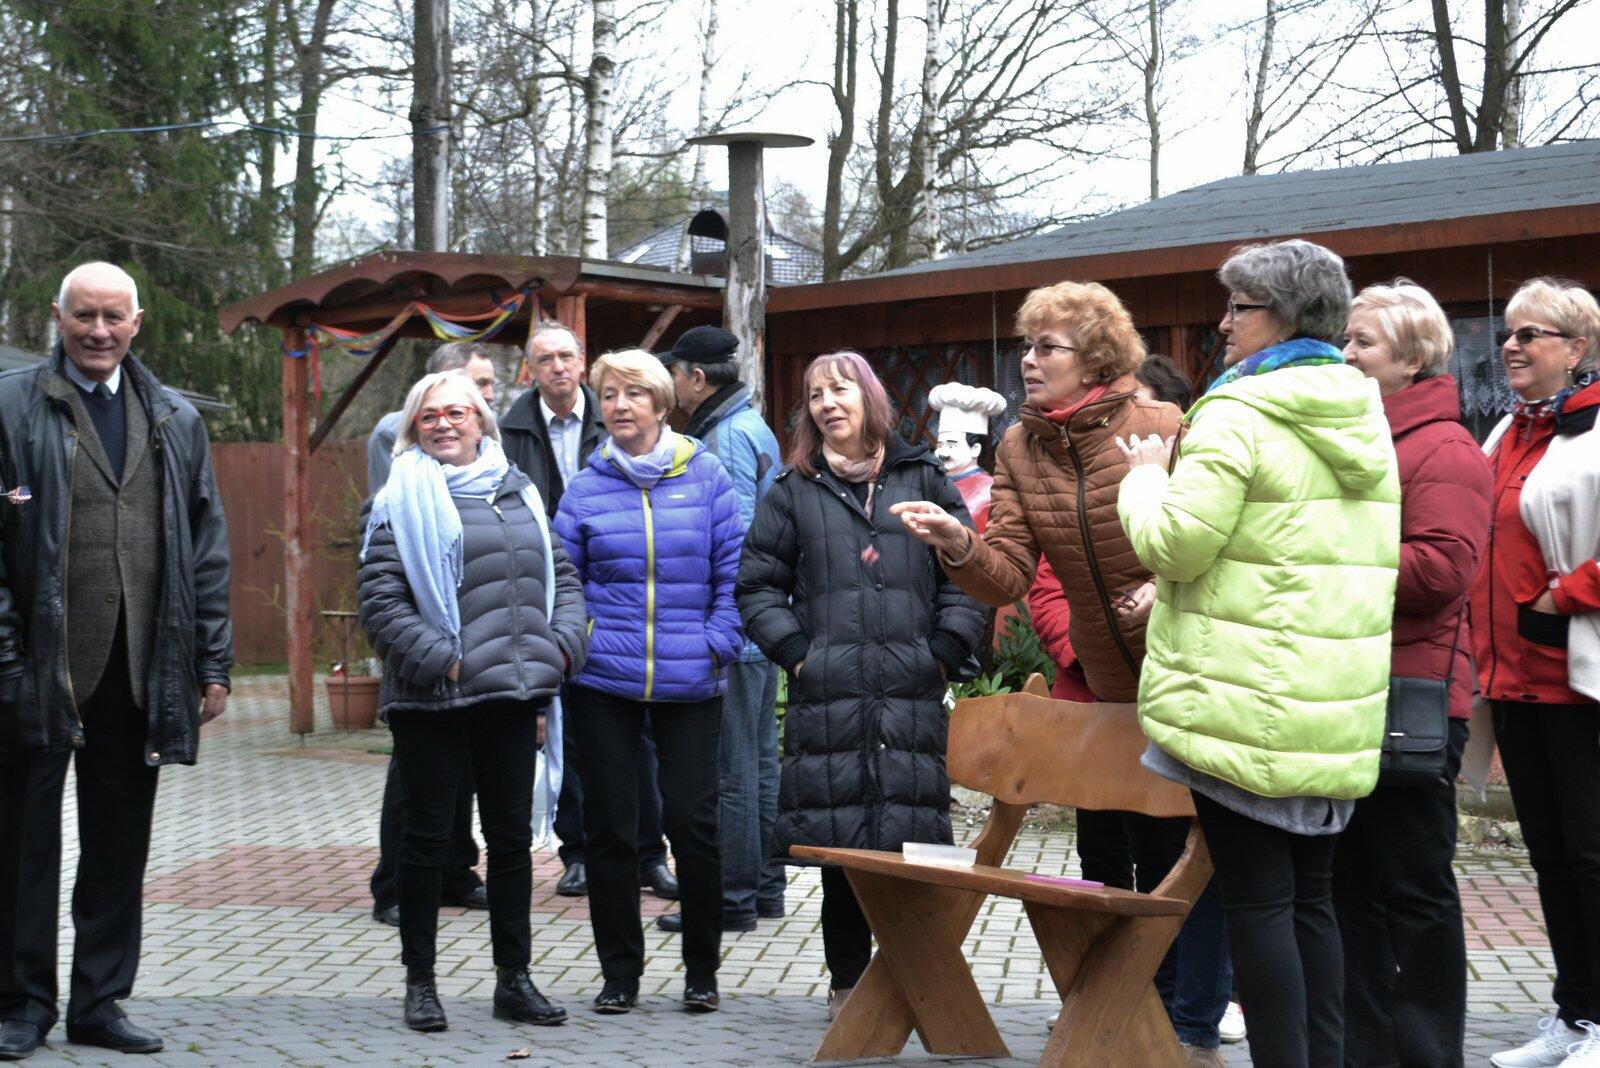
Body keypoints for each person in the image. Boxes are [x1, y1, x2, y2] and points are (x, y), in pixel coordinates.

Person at [893, 286, 1236, 1060]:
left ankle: (1191, 1028)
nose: (1029, 359)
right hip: (1104, 684)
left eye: (1047, 346)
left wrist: (1166, 588)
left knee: (1186, 855)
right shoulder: (1021, 446)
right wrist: (959, 543)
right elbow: (1011, 575)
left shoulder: (1165, 426)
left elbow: (1218, 538)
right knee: (1124, 856)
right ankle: (1131, 1012)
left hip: (1187, 671)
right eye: (1027, 344)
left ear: (1098, 358)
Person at [1116, 239, 1401, 1068]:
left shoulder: (1238, 412)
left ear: (1283, 317)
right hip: (1331, 703)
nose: (1223, 323)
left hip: (1242, 699)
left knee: (1259, 906)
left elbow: (1175, 547)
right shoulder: (1362, 412)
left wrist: (1146, 477)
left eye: (1238, 308)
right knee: (1312, 903)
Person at [0, 262, 233, 1060]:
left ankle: (99, 1003)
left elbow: (206, 548)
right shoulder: (11, 407)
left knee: (118, 848)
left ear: (136, 324)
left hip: (137, 671)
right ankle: (21, 1004)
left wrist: (211, 661)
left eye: (113, 317)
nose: (98, 331)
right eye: (84, 315)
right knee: (21, 849)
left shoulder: (174, 418)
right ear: (57, 317)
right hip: (36, 671)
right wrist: (6, 663)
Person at [739, 351, 987, 1020]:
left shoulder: (923, 476)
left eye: (840, 389)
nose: (827, 403)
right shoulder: (793, 489)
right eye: (815, 394)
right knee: (844, 857)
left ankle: (920, 987)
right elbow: (757, 586)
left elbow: (966, 573)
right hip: (831, 701)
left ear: (870, 398)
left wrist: (944, 652)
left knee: (916, 852)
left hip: (911, 696)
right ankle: (849, 988)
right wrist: (800, 657)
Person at [358, 370, 587, 1033]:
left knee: (510, 843)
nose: (444, 425)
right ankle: (421, 983)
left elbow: (560, 576)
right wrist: (441, 660)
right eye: (429, 416)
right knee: (426, 842)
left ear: (482, 421)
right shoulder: (396, 499)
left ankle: (514, 980)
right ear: (413, 428)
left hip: (510, 694)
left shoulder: (517, 492)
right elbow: (380, 599)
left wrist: (563, 645)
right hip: (433, 697)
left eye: (456, 413)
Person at [553, 349, 745, 1015]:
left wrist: (720, 641)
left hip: (691, 677)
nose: (620, 405)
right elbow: (564, 582)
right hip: (603, 680)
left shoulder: (707, 475)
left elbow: (734, 569)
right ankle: (620, 976)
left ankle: (701, 972)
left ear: (662, 404)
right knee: (610, 829)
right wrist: (575, 646)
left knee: (693, 823)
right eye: (609, 395)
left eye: (634, 393)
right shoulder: (585, 488)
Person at [1335, 280, 1490, 1068]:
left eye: (1363, 342)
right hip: (1345, 691)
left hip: (1411, 699)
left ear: (1413, 358)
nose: (1346, 354)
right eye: (1346, 339)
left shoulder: (1444, 448)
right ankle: (1365, 1052)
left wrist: (1330, 555)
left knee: (1413, 891)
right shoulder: (1357, 437)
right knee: (1350, 891)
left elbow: (1442, 571)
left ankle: (1429, 1055)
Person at [502, 322, 677, 903]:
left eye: (566, 356)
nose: (557, 367)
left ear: (581, 361)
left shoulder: (613, 416)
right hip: (545, 594)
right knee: (570, 732)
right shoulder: (510, 431)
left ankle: (650, 854)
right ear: (531, 370)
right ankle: (577, 853)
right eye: (545, 359)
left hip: (618, 594)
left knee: (640, 735)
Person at [1472, 278, 1600, 1068]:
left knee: (1592, 855)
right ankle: (1574, 1014)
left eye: (1530, 334)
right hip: (1512, 678)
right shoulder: (1506, 430)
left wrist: (1563, 597)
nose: (1510, 345)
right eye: (1508, 333)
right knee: (1550, 857)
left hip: (1581, 680)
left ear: (1576, 347)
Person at [366, 343, 499, 928]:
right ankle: (394, 884)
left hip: (479, 649)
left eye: (486, 387)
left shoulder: (497, 470)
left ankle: (455, 871)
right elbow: (386, 576)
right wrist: (435, 654)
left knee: (464, 768)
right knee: (413, 778)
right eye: (478, 384)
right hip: (423, 655)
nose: (488, 395)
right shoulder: (397, 458)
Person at [657, 326, 785, 934]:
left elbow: (732, 548)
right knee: (758, 763)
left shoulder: (725, 438)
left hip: (739, 631)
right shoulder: (750, 424)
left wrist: (718, 631)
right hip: (764, 625)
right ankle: (764, 888)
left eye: (674, 373)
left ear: (697, 378)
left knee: (732, 771)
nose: (671, 384)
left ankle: (731, 899)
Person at [368, 343, 500, 491]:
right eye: (480, 383)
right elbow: (398, 498)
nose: (491, 395)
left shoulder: (496, 456)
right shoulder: (392, 431)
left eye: (491, 384)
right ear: (445, 377)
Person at [927, 383, 1007, 532]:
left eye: (951, 446)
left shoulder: (990, 490)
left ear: (975, 449)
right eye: (940, 445)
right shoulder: (931, 483)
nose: (942, 453)